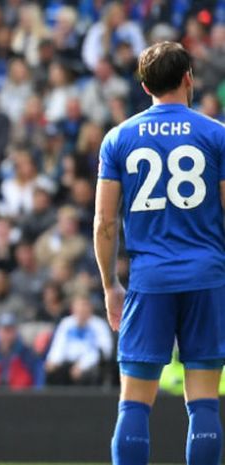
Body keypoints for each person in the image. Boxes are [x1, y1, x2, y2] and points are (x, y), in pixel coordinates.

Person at [94, 41, 225, 465]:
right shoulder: (216, 134)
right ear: (188, 78)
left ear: (144, 85)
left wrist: (110, 285)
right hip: (208, 277)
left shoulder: (119, 138)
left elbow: (104, 223)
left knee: (134, 402)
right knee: (204, 402)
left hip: (149, 281)